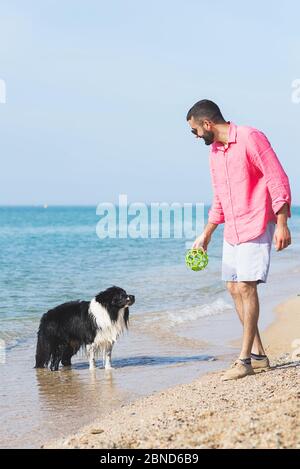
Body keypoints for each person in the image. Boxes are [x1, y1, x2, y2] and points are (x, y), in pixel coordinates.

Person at [186, 99, 292, 381]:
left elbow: (277, 178)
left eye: (195, 130)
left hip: (257, 221)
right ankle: (258, 355)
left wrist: (282, 223)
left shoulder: (250, 137)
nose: (196, 136)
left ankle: (243, 360)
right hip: (233, 228)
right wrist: (207, 233)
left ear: (207, 124)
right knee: (233, 287)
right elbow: (220, 197)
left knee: (247, 286)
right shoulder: (215, 153)